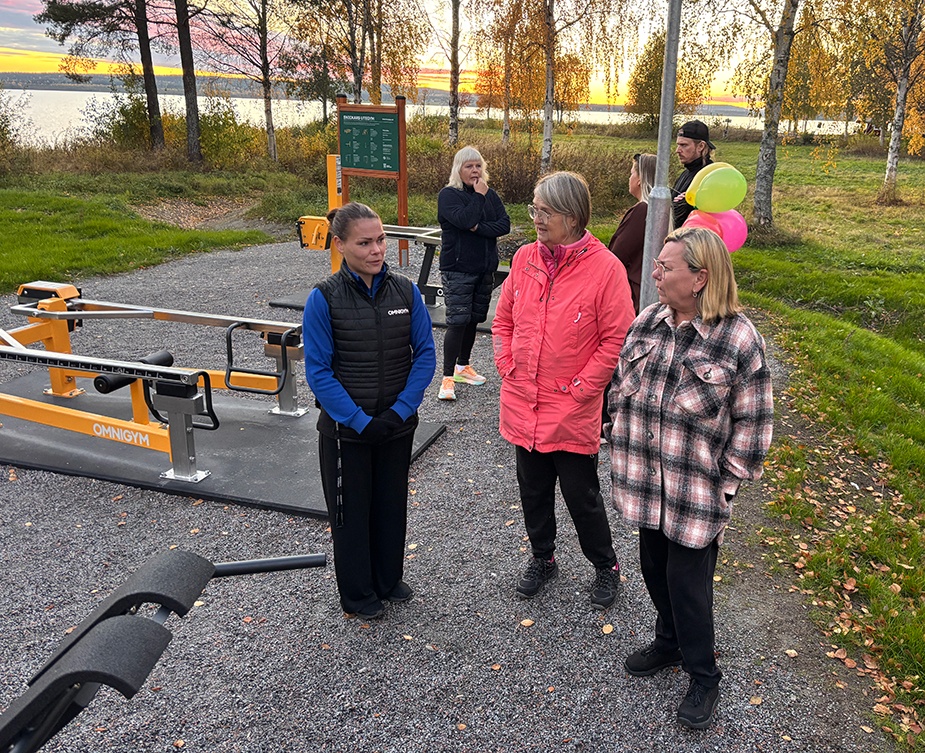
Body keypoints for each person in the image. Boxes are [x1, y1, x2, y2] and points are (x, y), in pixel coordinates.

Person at [607, 226, 774, 729]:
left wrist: (728, 484)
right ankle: (668, 642)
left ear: (700, 278)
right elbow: (619, 386)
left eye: (666, 267)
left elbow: (754, 420)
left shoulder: (738, 337)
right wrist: (615, 431)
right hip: (643, 484)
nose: (654, 273)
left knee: (689, 588)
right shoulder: (647, 323)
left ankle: (704, 675)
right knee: (654, 571)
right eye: (656, 265)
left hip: (695, 495)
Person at [492, 171, 635, 610]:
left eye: (545, 210)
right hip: (523, 400)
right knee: (532, 491)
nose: (536, 217)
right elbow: (503, 319)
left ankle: (605, 565)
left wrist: (582, 389)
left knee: (582, 497)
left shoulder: (605, 268)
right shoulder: (524, 259)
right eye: (534, 208)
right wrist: (506, 364)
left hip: (572, 408)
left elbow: (617, 337)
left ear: (573, 217)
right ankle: (543, 557)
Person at [303, 202, 436, 620]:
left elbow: (426, 355)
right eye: (365, 243)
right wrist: (359, 421)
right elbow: (319, 373)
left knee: (391, 504)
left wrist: (399, 412)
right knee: (351, 513)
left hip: (396, 425)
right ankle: (359, 594)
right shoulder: (323, 299)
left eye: (381, 240)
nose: (377, 250)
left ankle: (387, 578)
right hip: (348, 432)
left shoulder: (405, 291)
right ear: (340, 245)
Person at [437, 146, 511, 401]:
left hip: (484, 267)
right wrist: (478, 202)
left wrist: (479, 227)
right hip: (457, 268)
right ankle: (447, 379)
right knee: (457, 321)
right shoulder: (449, 195)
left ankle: (462, 367)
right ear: (459, 169)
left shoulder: (490, 195)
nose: (475, 171)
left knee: (473, 319)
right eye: (469, 166)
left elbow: (504, 224)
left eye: (478, 165)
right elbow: (464, 220)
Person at [609, 152, 658, 315]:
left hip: (634, 295)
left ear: (639, 180)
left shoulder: (642, 210)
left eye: (632, 174)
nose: (629, 179)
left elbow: (617, 255)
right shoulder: (658, 209)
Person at [672, 120, 715, 228]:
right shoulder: (686, 173)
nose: (678, 150)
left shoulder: (709, 177)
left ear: (701, 146)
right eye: (678, 145)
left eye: (684, 145)